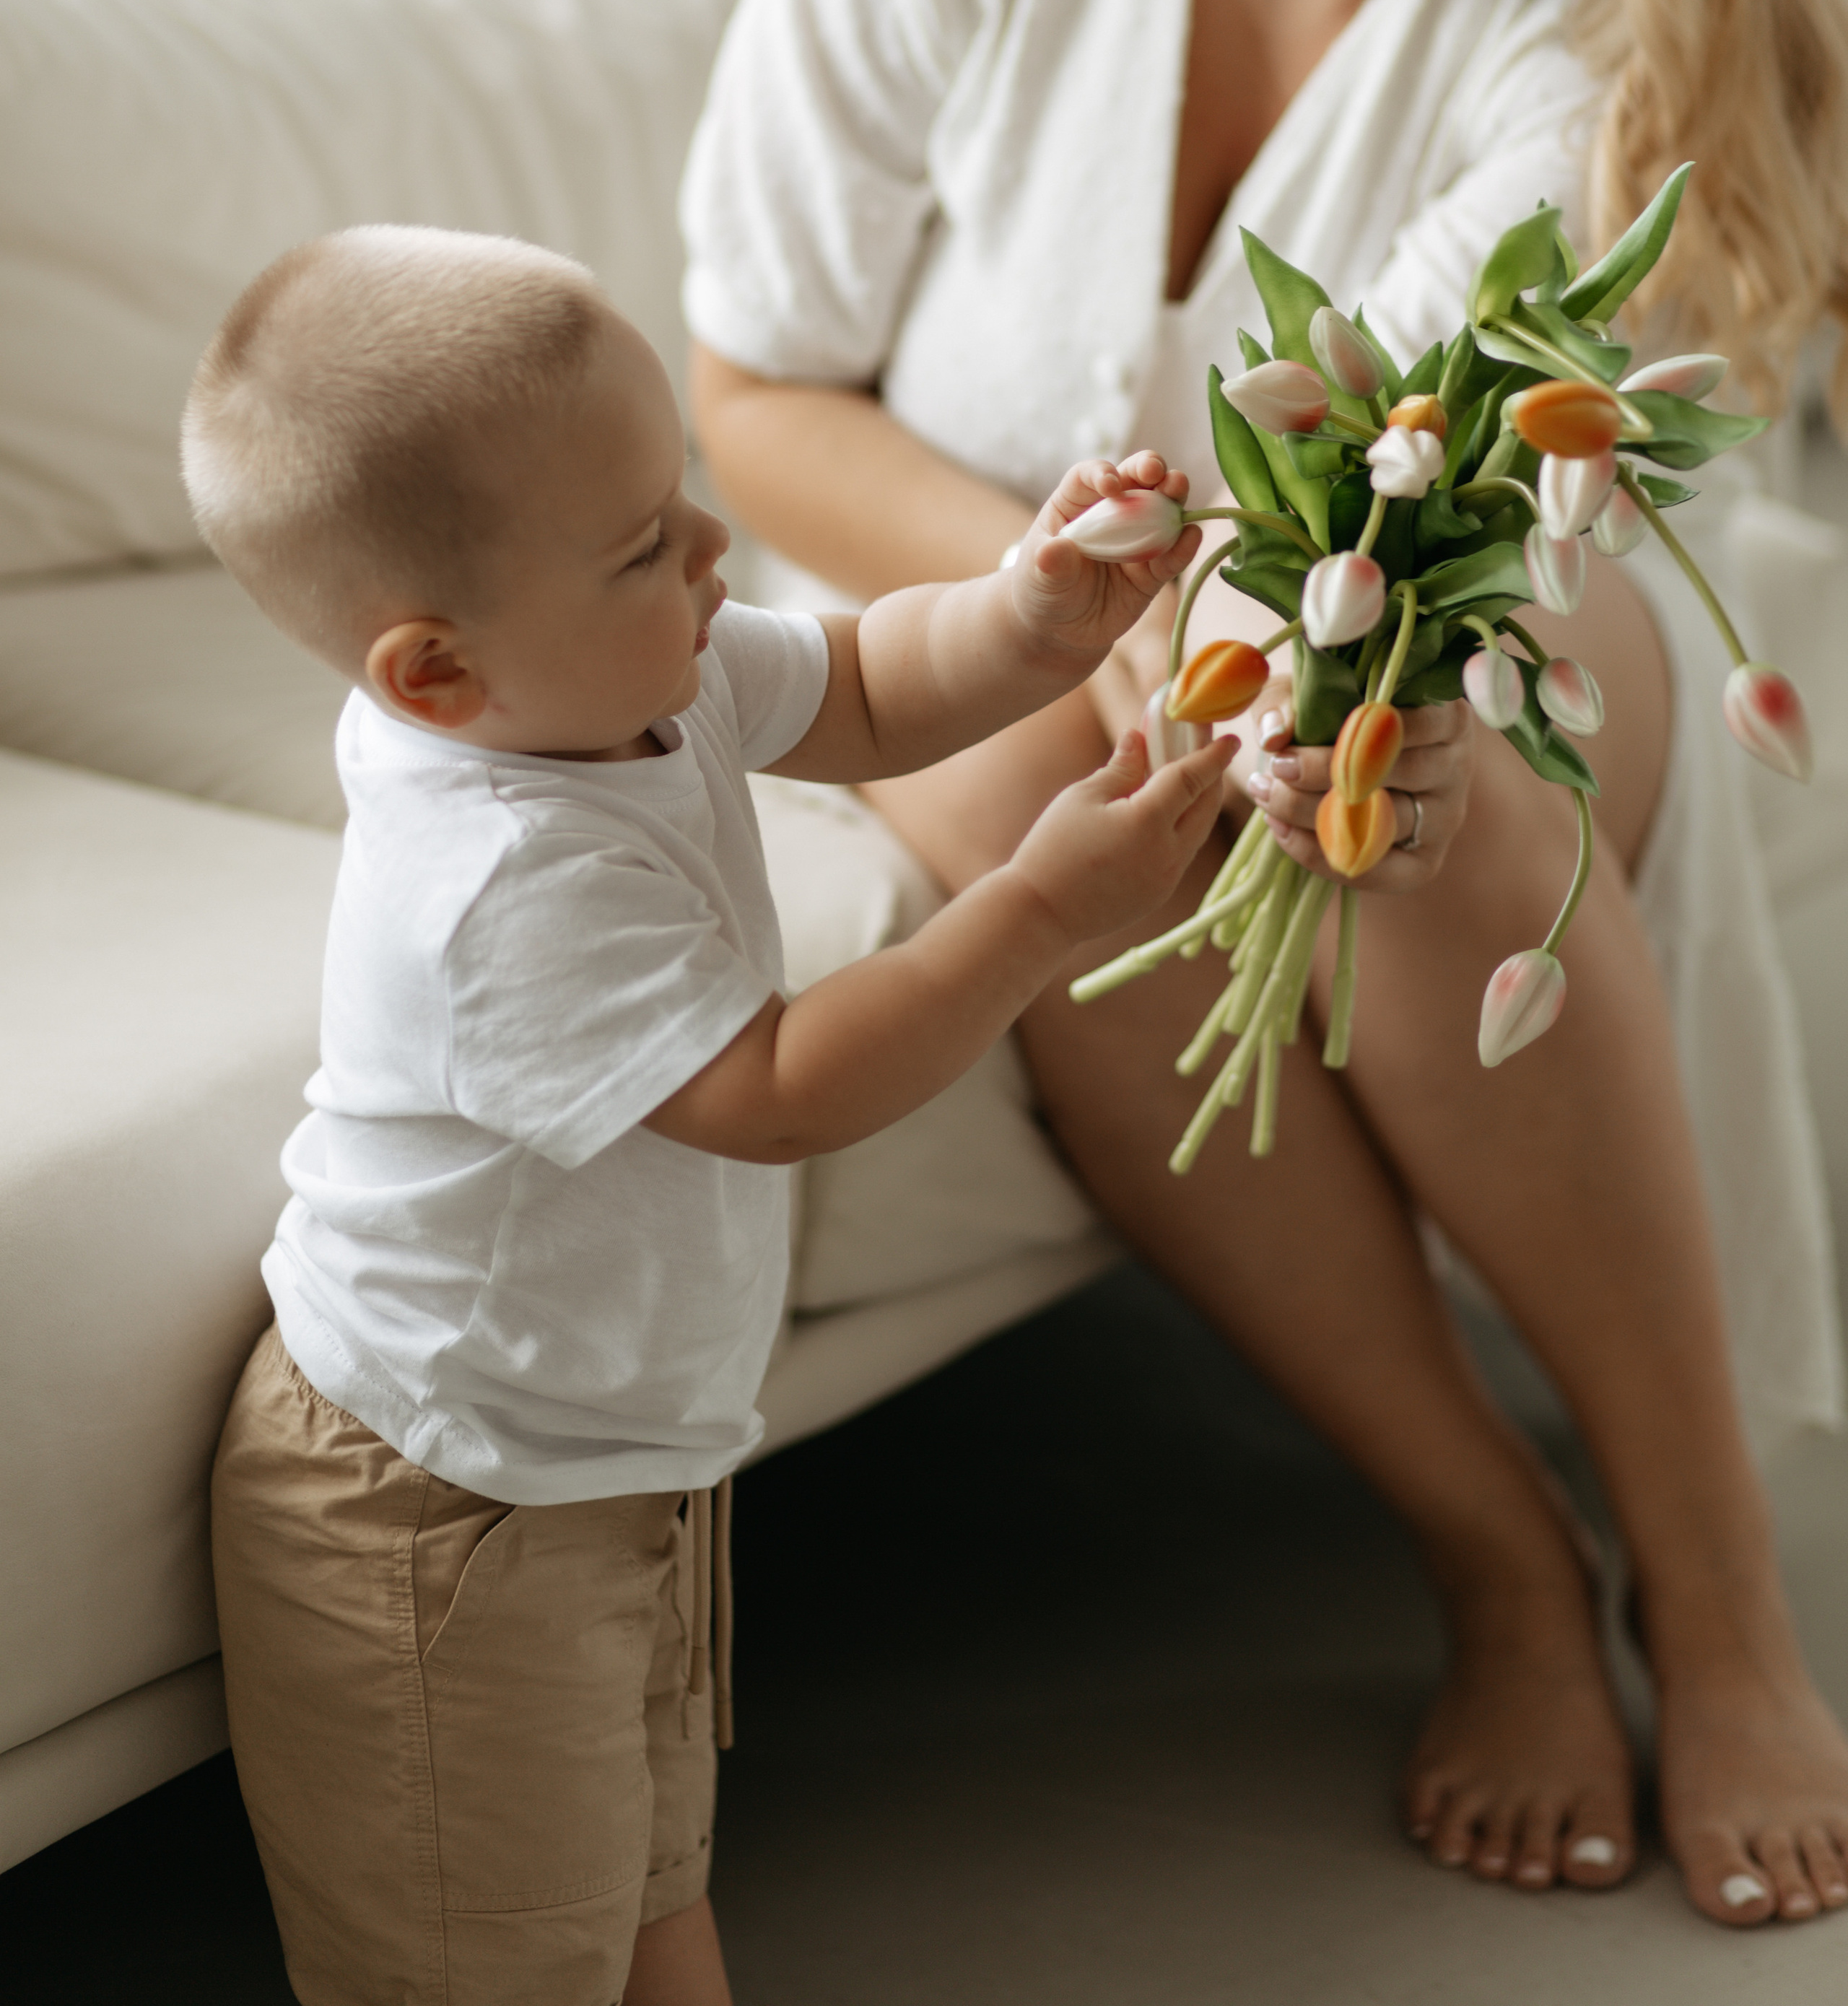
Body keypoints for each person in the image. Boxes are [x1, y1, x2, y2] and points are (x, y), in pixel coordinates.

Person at [680, 0, 1848, 1929]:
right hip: (984, 586)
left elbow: (1395, 518)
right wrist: (1057, 615)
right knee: (1027, 803)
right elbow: (753, 381)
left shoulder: (1598, 36)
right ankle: (1495, 1556)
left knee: (1412, 793)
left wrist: (1239, 649)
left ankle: (1723, 1589)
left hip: (1433, 621)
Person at [184, 224, 1232, 2006]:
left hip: (609, 1465)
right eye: (642, 544)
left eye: (676, 497)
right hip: (447, 1512)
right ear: (435, 678)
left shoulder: (615, 688)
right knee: (505, 1961)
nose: (707, 550)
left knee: (651, 1900)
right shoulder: (499, 871)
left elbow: (875, 687)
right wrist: (1041, 911)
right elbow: (773, 1090)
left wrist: (1032, 611)